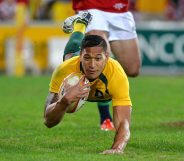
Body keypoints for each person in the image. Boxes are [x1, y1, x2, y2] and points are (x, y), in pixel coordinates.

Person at [44, 33, 132, 154]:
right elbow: (48, 121)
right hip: (72, 75)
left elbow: (124, 122)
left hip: (104, 91)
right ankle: (79, 25)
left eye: (98, 58)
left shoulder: (116, 74)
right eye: (87, 58)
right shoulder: (64, 71)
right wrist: (64, 101)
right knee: (69, 57)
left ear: (106, 57)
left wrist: (117, 148)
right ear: (80, 56)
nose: (92, 65)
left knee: (134, 69)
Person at [62, 0, 141, 130]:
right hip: (92, 6)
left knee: (132, 69)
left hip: (119, 9)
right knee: (101, 54)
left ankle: (78, 28)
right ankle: (105, 118)